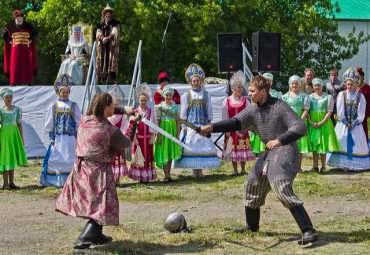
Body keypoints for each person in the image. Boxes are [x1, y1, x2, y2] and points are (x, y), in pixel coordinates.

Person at [199, 75, 318, 245]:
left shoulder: (279, 106)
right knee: (252, 182)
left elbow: (300, 126)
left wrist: (280, 140)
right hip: (270, 152)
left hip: (285, 150)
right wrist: (212, 127)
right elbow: (235, 122)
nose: (249, 94)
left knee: (280, 184)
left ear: (263, 91)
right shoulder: (253, 109)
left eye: (253, 91)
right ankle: (252, 225)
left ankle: (308, 231)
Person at [54, 92, 137, 253]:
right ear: (106, 108)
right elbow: (126, 146)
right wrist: (133, 124)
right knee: (101, 207)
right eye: (113, 104)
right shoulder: (108, 129)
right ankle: (82, 244)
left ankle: (97, 235)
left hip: (80, 169)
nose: (115, 106)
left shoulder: (86, 118)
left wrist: (122, 110)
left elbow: (94, 109)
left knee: (98, 205)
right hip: (97, 171)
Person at [174, 63, 221, 177]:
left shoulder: (206, 94)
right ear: (191, 82)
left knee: (203, 147)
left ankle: (200, 170)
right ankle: (194, 170)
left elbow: (209, 109)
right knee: (192, 147)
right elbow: (184, 112)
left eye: (197, 81)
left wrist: (209, 122)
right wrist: (184, 126)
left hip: (203, 125)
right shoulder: (187, 95)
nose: (196, 83)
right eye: (194, 81)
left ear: (201, 81)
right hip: (191, 125)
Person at [40, 74, 82, 187]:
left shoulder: (73, 105)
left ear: (69, 92)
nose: (65, 94)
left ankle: (72, 180)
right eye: (63, 92)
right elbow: (50, 122)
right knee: (57, 157)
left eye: (66, 92)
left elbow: (79, 121)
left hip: (70, 137)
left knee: (70, 157)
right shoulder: (54, 105)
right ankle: (57, 181)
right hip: (59, 137)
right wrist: (51, 137)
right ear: (59, 92)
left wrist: (79, 135)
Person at [326, 67, 370, 171]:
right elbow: (340, 111)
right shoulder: (342, 95)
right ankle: (342, 164)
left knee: (357, 144)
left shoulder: (360, 96)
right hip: (344, 124)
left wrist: (354, 124)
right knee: (342, 141)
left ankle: (353, 164)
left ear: (356, 84)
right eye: (348, 84)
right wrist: (346, 123)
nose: (349, 86)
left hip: (356, 126)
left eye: (352, 84)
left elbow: (361, 113)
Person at [221, 71, 254, 175]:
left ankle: (243, 169)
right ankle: (235, 170)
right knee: (232, 148)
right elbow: (225, 115)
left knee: (242, 148)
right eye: (238, 87)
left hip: (242, 128)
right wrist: (226, 129)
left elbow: (250, 114)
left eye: (241, 87)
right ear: (233, 88)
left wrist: (248, 126)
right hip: (231, 128)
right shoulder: (227, 100)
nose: (240, 89)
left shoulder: (245, 101)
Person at [307, 78, 340, 173]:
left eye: (319, 85)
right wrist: (310, 121)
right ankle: (315, 166)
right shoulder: (309, 97)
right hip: (313, 123)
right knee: (315, 144)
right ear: (313, 87)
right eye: (315, 85)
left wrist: (321, 122)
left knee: (323, 144)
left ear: (322, 86)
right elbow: (307, 111)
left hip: (324, 123)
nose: (317, 87)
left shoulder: (328, 97)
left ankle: (323, 167)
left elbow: (329, 111)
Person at [128, 83, 158, 183]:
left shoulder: (150, 112)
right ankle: (139, 176)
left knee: (148, 157)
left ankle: (147, 176)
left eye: (145, 100)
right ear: (138, 101)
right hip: (139, 139)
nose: (143, 102)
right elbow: (133, 126)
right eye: (141, 100)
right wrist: (135, 138)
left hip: (148, 138)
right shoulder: (135, 112)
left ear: (147, 101)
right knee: (139, 156)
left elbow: (154, 125)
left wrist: (152, 137)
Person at [283, 75, 312, 172]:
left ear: (300, 85)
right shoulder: (285, 96)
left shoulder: (304, 96)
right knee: (288, 146)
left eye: (296, 83)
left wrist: (299, 120)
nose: (294, 85)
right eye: (293, 83)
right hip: (288, 122)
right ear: (290, 85)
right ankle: (289, 166)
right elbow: (284, 110)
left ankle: (298, 167)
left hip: (300, 121)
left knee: (299, 146)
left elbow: (306, 109)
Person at [0, 88, 27, 190]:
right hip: (5, 135)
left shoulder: (17, 109)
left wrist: (21, 137)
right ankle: (5, 183)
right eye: (7, 97)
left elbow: (19, 124)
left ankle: (12, 182)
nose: (9, 99)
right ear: (3, 98)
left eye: (11, 97)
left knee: (12, 157)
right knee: (6, 158)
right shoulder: (1, 110)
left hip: (14, 134)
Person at [2, 10, 38, 86]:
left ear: (22, 18)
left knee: (27, 64)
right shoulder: (10, 26)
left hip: (26, 49)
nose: (19, 19)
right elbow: (4, 34)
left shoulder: (29, 26)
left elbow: (35, 32)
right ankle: (13, 81)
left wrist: (31, 39)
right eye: (18, 18)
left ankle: (29, 81)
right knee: (15, 65)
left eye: (20, 18)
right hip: (15, 49)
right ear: (15, 19)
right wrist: (9, 41)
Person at [154, 86, 182, 182]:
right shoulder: (160, 107)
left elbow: (178, 122)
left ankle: (168, 175)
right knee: (164, 152)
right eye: (167, 95)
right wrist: (159, 135)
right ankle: (165, 176)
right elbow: (157, 122)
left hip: (172, 131)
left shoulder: (176, 106)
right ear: (163, 96)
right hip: (163, 131)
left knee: (170, 153)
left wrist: (178, 134)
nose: (169, 97)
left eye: (170, 95)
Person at [250, 73, 281, 155]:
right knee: (261, 145)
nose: (268, 82)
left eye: (270, 80)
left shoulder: (277, 94)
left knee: (273, 146)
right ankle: (261, 165)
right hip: (261, 120)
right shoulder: (258, 93)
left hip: (272, 121)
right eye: (266, 80)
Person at [96, 4, 120, 84]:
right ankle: (101, 80)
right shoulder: (100, 25)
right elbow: (98, 34)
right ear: (103, 15)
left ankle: (110, 80)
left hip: (111, 48)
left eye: (109, 14)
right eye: (106, 14)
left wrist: (107, 38)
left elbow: (115, 33)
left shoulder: (115, 23)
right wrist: (102, 38)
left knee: (111, 63)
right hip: (102, 48)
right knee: (101, 64)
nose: (107, 15)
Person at [107, 97, 129, 186]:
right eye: (113, 105)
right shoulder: (107, 116)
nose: (115, 107)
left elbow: (124, 126)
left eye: (116, 105)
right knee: (110, 160)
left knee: (118, 160)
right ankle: (110, 180)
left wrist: (121, 136)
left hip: (118, 140)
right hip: (109, 140)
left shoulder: (121, 116)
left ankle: (117, 180)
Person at [355, 67, 370, 142]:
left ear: (363, 77)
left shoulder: (366, 87)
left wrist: (366, 114)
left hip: (362, 113)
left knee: (362, 132)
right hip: (351, 113)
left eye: (360, 77)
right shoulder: (351, 85)